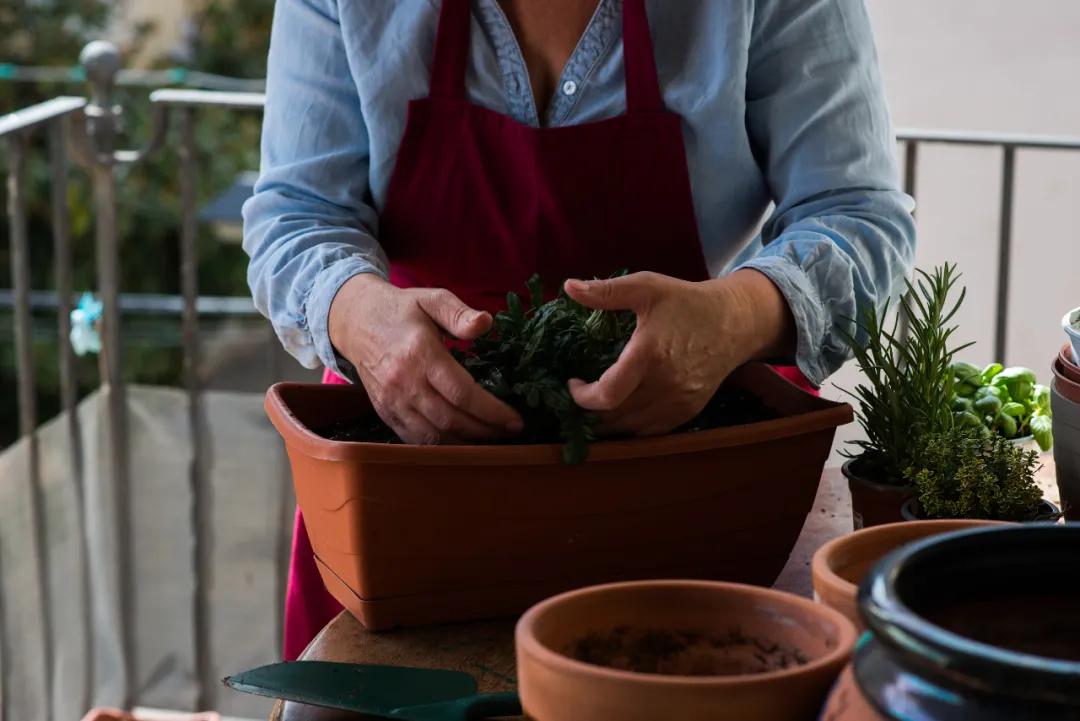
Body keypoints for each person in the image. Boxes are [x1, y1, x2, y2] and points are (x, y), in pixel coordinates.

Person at [243, 0, 915, 659]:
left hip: (685, 483)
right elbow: (296, 214)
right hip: (406, 483)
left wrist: (733, 317)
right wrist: (359, 317)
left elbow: (855, 211)